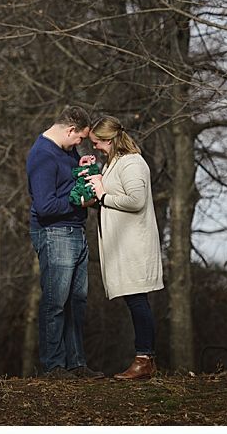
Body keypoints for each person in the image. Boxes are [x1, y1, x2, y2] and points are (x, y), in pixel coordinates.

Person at [26, 106, 104, 379]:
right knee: (55, 303)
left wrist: (78, 170)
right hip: (54, 234)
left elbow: (65, 182)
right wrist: (77, 199)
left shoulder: (67, 152)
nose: (80, 144)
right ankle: (54, 366)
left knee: (77, 302)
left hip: (76, 231)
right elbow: (45, 206)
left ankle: (76, 363)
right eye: (80, 138)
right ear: (70, 130)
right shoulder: (42, 156)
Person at [85, 115, 164, 380]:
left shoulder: (132, 163)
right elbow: (110, 199)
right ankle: (145, 359)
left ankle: (144, 359)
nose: (94, 146)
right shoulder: (114, 164)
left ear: (108, 140)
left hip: (135, 245)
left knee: (138, 300)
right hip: (123, 245)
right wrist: (96, 197)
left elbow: (135, 201)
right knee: (135, 300)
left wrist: (103, 196)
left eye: (97, 142)